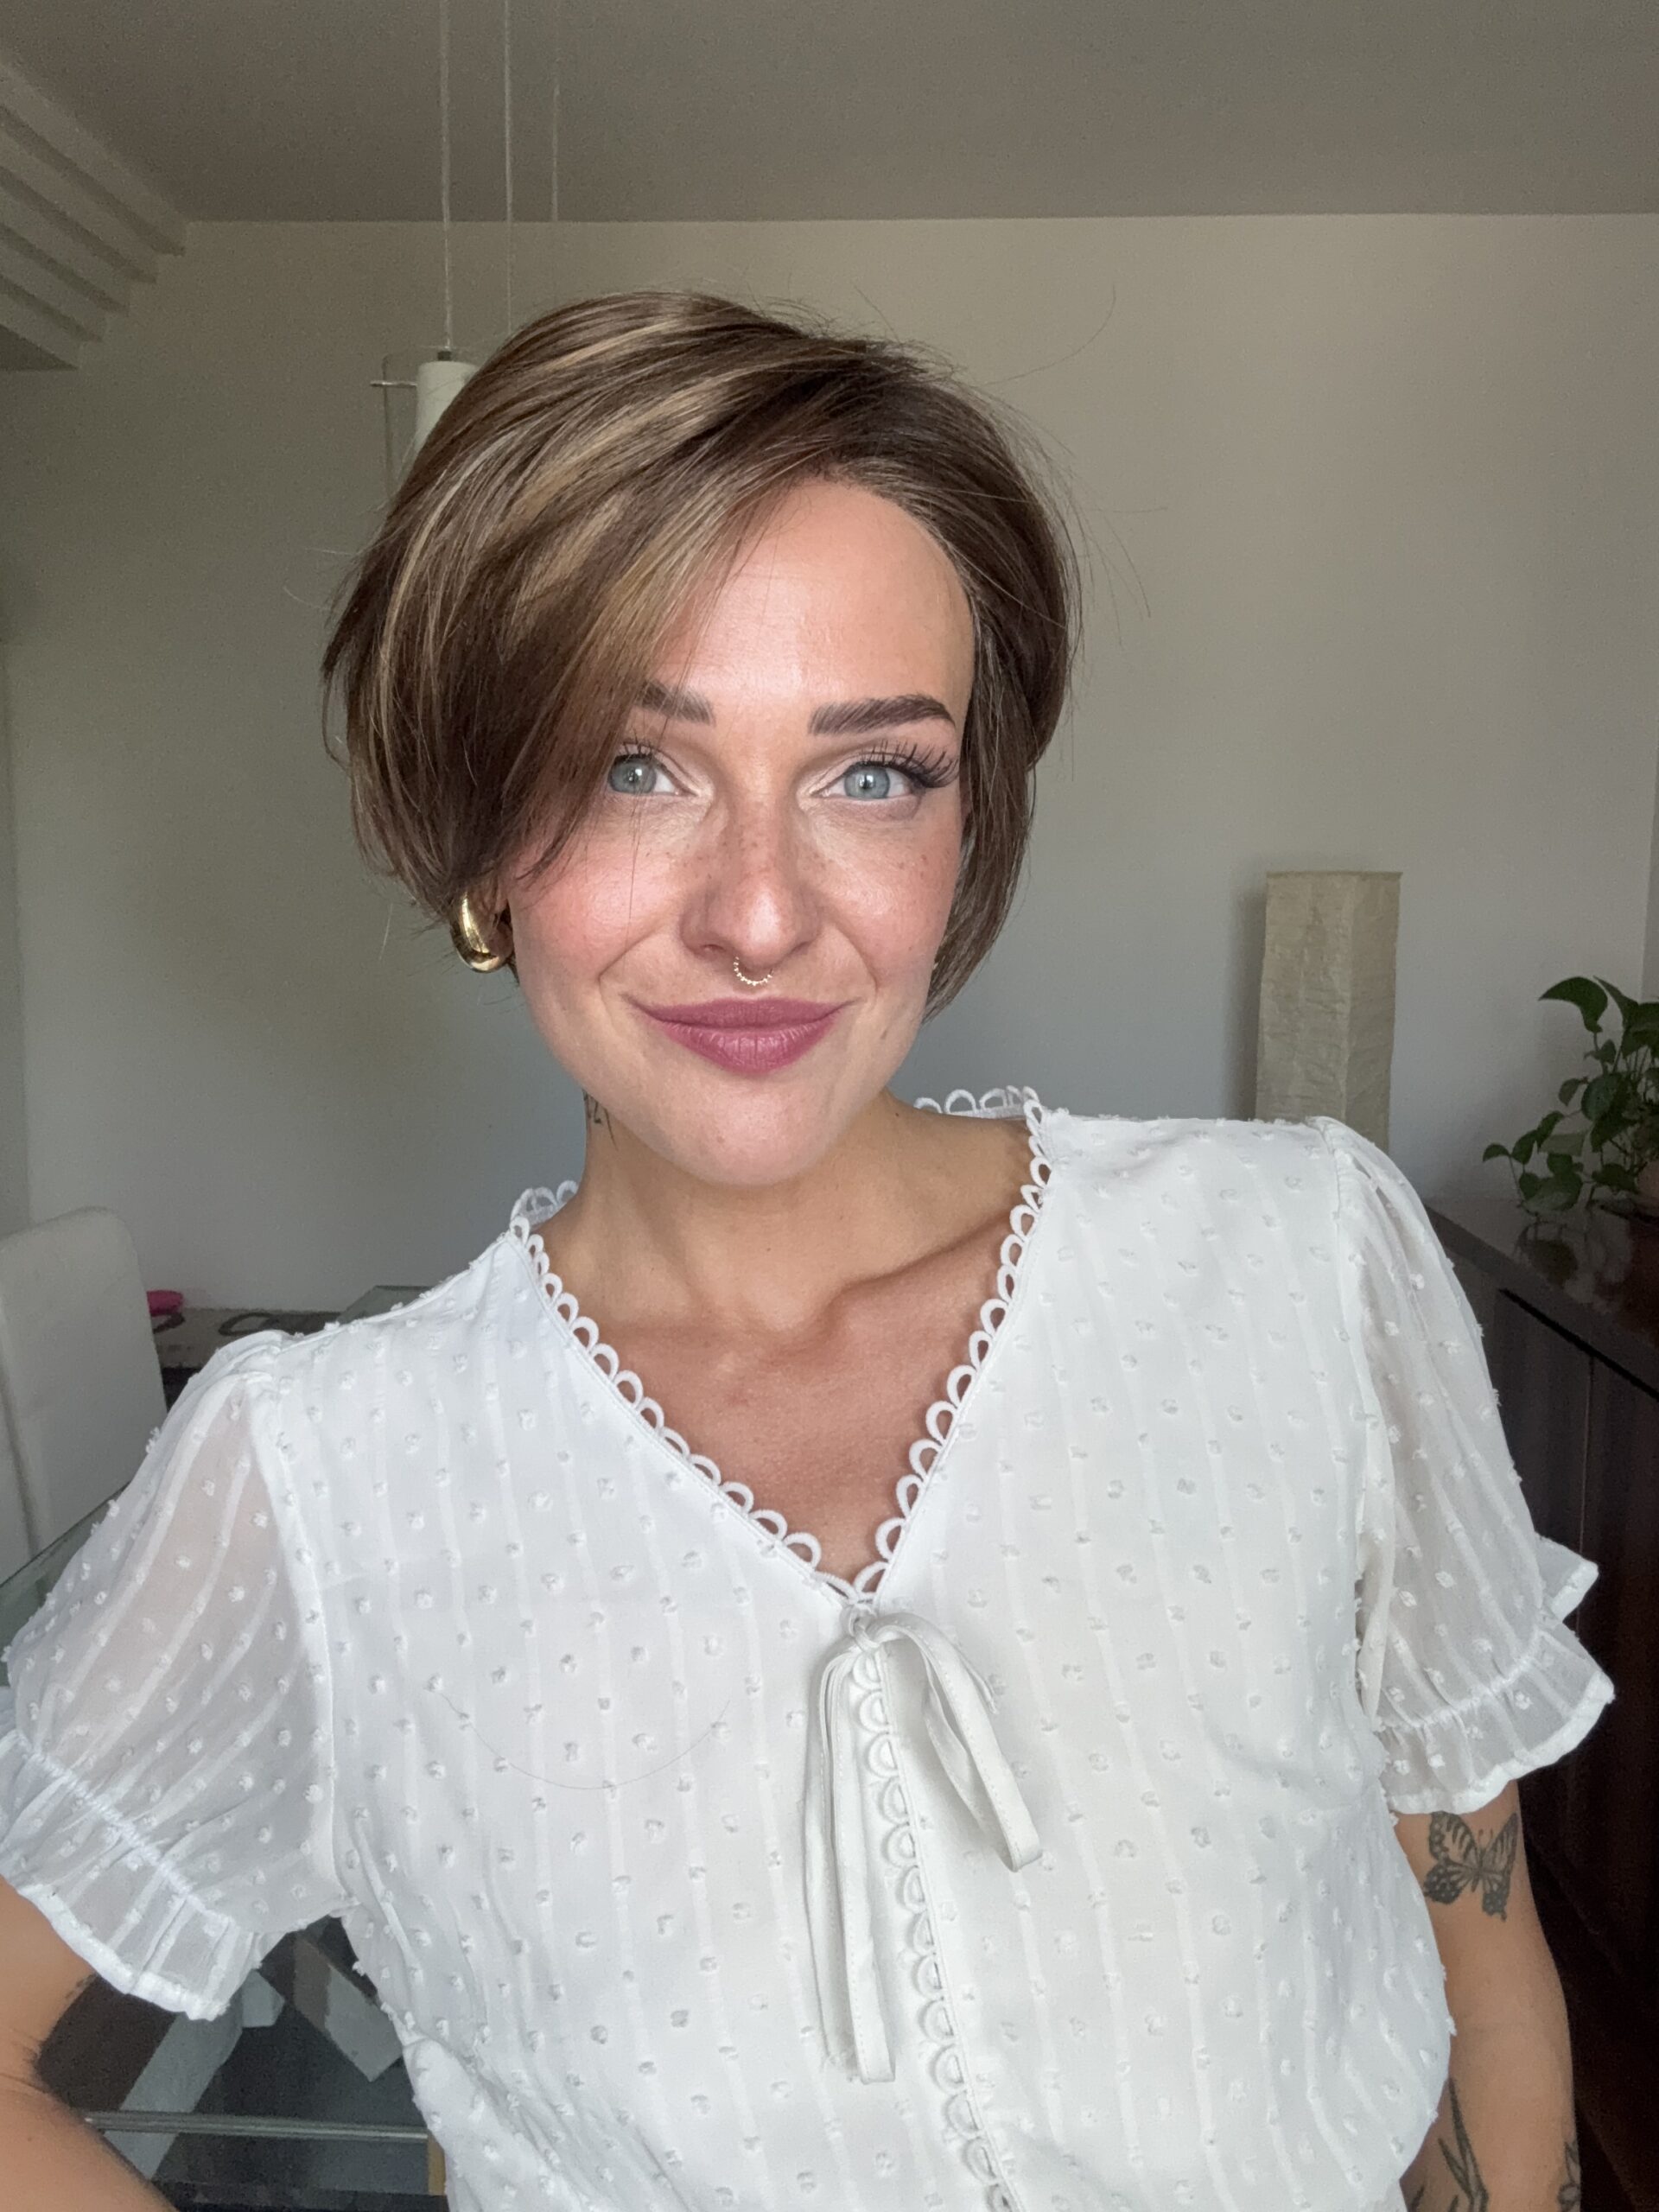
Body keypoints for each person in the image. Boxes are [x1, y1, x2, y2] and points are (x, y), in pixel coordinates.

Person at [0, 290, 1612, 2212]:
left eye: (873, 773)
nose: (759, 914)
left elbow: (1485, 1965)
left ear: (967, 821)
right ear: (479, 833)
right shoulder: (317, 1476)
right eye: (633, 765)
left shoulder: (1298, 1268)